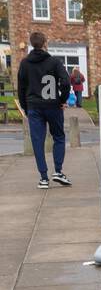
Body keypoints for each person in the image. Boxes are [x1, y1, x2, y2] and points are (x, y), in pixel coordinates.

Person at [16, 31, 72, 189]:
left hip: (34, 106)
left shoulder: (25, 63)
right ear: (45, 43)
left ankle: (43, 178)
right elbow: (66, 82)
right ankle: (58, 171)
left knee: (37, 142)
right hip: (52, 105)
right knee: (59, 137)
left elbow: (21, 88)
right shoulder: (54, 62)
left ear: (31, 44)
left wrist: (25, 107)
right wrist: (62, 100)